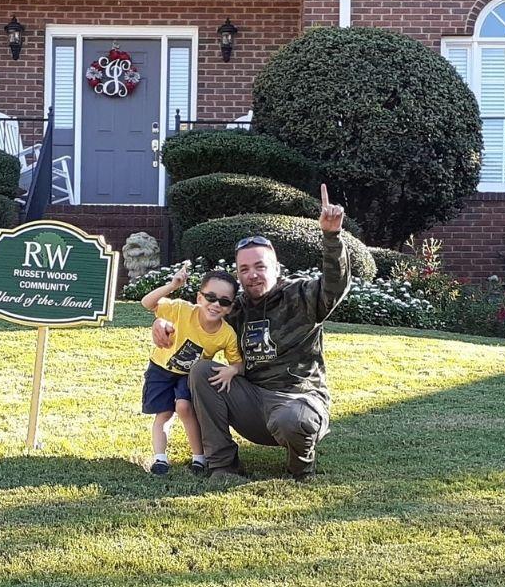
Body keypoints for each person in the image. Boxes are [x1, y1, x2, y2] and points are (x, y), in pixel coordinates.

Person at [153, 184, 350, 482]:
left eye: (260, 266)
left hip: (298, 400)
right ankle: (222, 466)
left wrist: (331, 237)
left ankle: (300, 468)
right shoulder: (235, 308)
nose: (252, 274)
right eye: (244, 269)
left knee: (290, 420)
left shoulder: (302, 296)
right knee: (201, 371)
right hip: (252, 402)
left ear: (275, 267)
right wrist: (164, 324)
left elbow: (335, 286)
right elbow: (198, 321)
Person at [140, 264, 243, 475]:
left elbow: (237, 363)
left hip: (189, 375)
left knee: (185, 408)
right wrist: (173, 285)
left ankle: (199, 457)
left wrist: (232, 370)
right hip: (160, 369)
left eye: (224, 302)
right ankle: (160, 457)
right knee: (164, 413)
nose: (215, 305)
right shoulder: (182, 310)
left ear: (230, 307)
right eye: (210, 297)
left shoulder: (227, 334)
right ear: (199, 298)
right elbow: (147, 303)